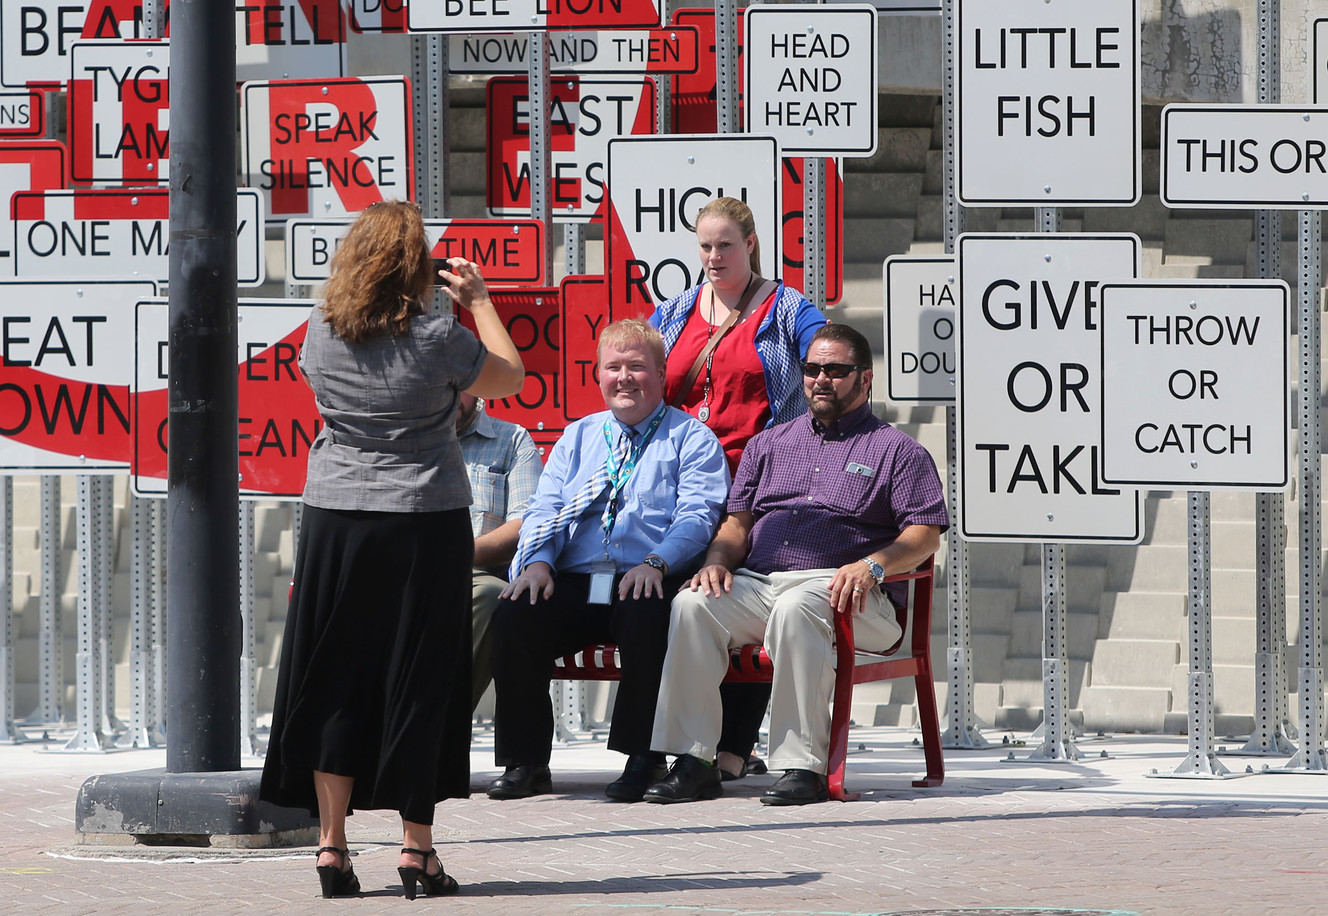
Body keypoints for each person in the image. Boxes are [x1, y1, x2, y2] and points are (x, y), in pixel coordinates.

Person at [259, 200, 524, 899]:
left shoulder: (318, 332)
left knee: (335, 680)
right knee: (418, 679)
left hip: (335, 519)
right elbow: (508, 376)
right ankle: (416, 852)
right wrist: (480, 301)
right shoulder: (438, 335)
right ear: (417, 266)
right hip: (421, 518)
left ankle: (331, 847)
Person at [643, 323, 948, 806]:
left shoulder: (898, 451)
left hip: (853, 595)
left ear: (865, 380)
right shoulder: (770, 444)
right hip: (762, 584)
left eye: (835, 370)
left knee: (800, 604)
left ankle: (800, 765)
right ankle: (693, 762)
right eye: (811, 370)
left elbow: (924, 534)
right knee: (692, 604)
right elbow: (736, 524)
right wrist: (717, 561)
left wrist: (872, 565)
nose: (820, 380)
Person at [487, 319, 728, 803]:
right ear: (597, 374)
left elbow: (698, 516)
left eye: (637, 367)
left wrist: (658, 562)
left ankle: (644, 757)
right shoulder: (578, 437)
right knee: (514, 614)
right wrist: (537, 562)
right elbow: (545, 508)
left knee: (648, 613)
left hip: (648, 576)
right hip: (576, 578)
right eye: (613, 367)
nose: (624, 378)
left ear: (661, 374)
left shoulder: (691, 438)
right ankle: (527, 762)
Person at [650, 196, 828, 781]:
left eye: (725, 244)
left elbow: (828, 355)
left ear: (752, 244)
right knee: (681, 600)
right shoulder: (674, 312)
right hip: (679, 483)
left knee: (744, 585)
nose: (713, 256)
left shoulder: (785, 307)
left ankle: (731, 746)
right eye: (704, 245)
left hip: (757, 479)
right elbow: (638, 368)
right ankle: (676, 744)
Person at [456, 392, 542, 710]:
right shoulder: (405, 438)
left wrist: (453, 555)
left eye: (457, 380)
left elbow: (524, 523)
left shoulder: (512, 439)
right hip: (407, 569)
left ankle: (440, 728)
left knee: (494, 596)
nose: (448, 392)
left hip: (473, 574)